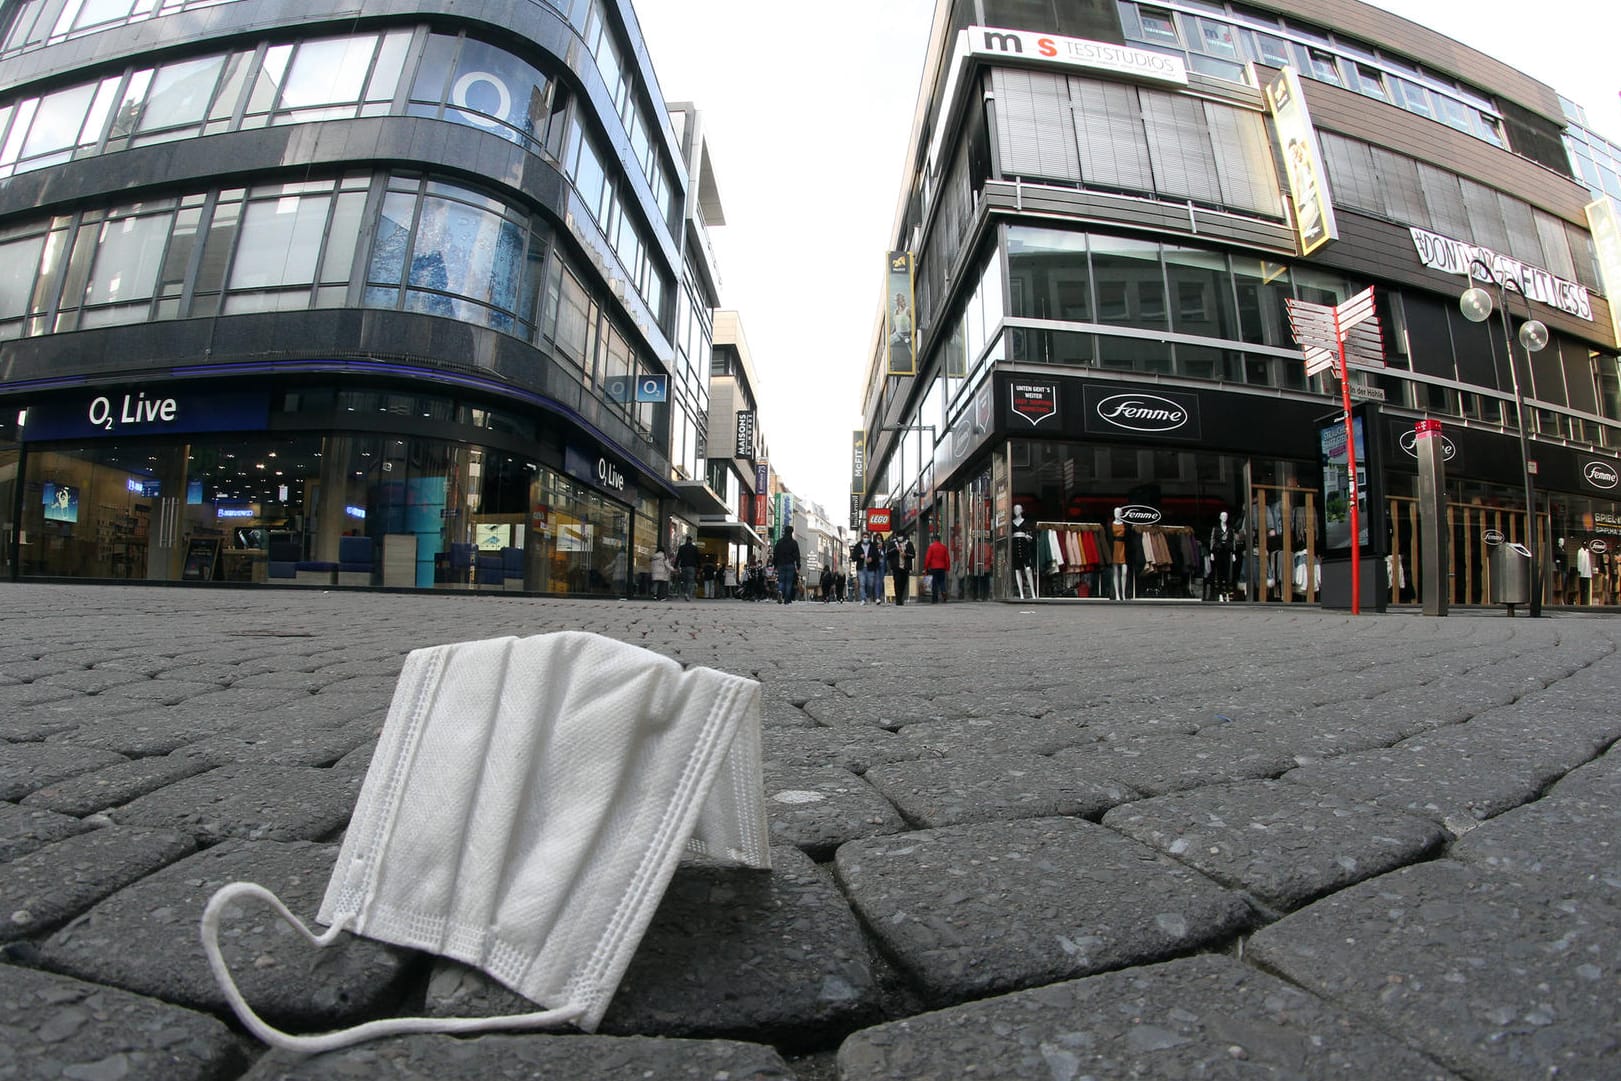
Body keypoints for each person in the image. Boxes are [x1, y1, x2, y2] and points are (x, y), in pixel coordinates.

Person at [773, 525, 802, 604]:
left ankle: (780, 591)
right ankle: (787, 599)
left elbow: (775, 553)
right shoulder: (794, 543)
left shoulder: (779, 542)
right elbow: (797, 555)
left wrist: (774, 564)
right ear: (791, 532)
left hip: (781, 564)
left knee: (781, 581)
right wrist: (798, 565)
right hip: (790, 564)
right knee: (789, 582)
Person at [853, 533, 885, 605]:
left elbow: (877, 555)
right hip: (861, 568)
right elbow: (853, 557)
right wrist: (859, 556)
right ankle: (863, 599)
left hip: (870, 568)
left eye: (867, 537)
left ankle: (868, 596)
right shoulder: (858, 546)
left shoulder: (872, 546)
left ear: (869, 538)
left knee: (870, 584)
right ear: (862, 537)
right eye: (864, 537)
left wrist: (871, 558)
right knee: (862, 583)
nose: (866, 538)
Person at [887, 533, 916, 606]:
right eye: (899, 536)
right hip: (896, 567)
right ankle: (898, 599)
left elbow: (913, 554)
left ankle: (901, 597)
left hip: (905, 567)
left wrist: (906, 555)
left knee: (903, 583)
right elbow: (888, 553)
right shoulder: (892, 543)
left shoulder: (909, 543)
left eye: (901, 536)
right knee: (897, 582)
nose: (900, 537)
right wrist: (896, 550)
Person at [924, 534, 951, 603]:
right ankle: (944, 591)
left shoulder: (931, 547)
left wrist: (926, 567)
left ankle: (935, 598)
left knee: (934, 583)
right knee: (942, 581)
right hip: (942, 567)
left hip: (934, 567)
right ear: (939, 540)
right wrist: (947, 567)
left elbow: (928, 558)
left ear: (933, 540)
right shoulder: (944, 547)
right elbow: (947, 559)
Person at [675, 535, 700, 601]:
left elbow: (678, 557)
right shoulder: (694, 548)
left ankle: (684, 592)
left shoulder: (682, 547)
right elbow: (698, 558)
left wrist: (675, 566)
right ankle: (687, 593)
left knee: (684, 580)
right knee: (690, 581)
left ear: (686, 540)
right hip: (691, 566)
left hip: (683, 566)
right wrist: (699, 567)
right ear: (691, 540)